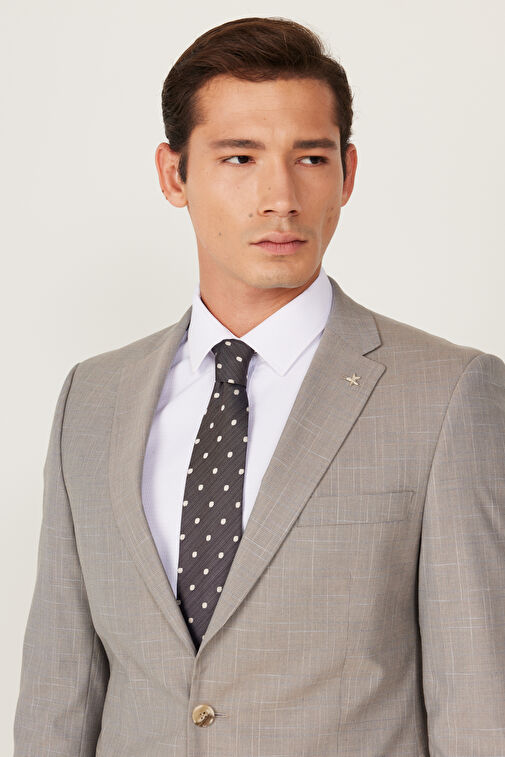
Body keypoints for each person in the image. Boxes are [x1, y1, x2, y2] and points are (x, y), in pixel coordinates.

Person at [14, 15, 505, 757]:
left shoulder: (445, 395)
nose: (280, 196)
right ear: (174, 175)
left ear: (347, 173)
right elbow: (58, 696)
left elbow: (478, 704)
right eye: (239, 157)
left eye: (310, 157)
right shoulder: (93, 398)